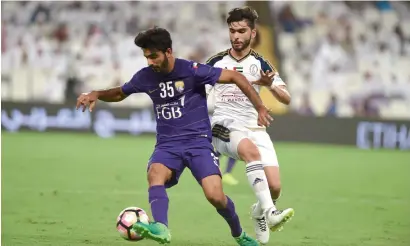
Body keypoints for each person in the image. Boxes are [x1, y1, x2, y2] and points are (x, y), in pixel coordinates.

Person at [76, 27, 273, 246]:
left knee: (215, 196)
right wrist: (96, 94)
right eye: (146, 57)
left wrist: (260, 107)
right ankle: (161, 227)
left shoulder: (192, 70)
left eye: (153, 56)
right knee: (155, 174)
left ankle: (239, 234)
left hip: (198, 142)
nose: (150, 61)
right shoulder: (145, 76)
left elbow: (235, 76)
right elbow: (121, 93)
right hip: (168, 145)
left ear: (168, 51)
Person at [205, 7, 294, 244]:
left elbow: (286, 98)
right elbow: (198, 94)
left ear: (252, 34)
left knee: (274, 187)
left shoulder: (260, 63)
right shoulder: (216, 62)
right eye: (232, 31)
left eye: (241, 31)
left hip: (255, 129)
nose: (236, 36)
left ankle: (259, 212)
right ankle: (271, 214)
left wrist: (271, 85)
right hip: (223, 125)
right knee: (249, 151)